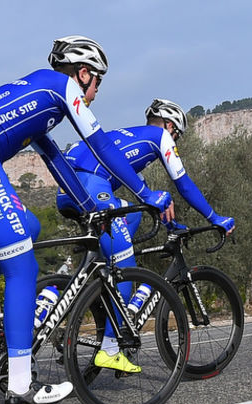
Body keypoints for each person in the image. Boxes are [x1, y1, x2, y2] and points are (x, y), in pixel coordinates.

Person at [0, 36, 173, 404]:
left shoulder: (42, 98)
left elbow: (56, 162)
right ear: (84, 73)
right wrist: (146, 194)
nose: (96, 91)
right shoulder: (62, 86)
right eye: (98, 82)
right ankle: (21, 384)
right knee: (24, 269)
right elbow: (102, 146)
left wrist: (90, 208)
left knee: (29, 229)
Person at [54, 98, 233, 373]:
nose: (175, 142)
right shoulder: (161, 136)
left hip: (70, 187)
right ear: (171, 126)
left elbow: (146, 197)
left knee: (133, 213)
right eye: (178, 137)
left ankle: (68, 296)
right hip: (91, 184)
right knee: (124, 267)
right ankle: (111, 348)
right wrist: (214, 217)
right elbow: (183, 184)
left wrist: (171, 224)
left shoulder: (132, 141)